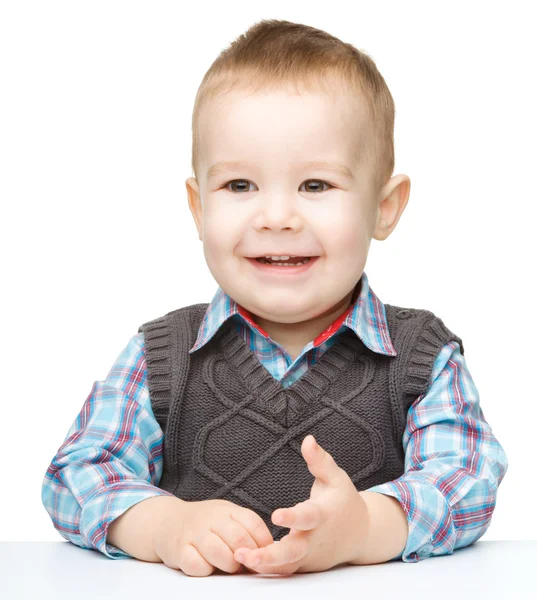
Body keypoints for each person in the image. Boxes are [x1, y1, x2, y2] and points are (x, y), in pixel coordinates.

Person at [41, 18, 508, 577]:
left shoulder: (420, 356)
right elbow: (76, 473)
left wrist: (365, 526)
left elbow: (465, 480)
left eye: (316, 185)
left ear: (384, 207)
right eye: (239, 185)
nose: (278, 217)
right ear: (198, 207)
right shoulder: (160, 355)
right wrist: (163, 525)